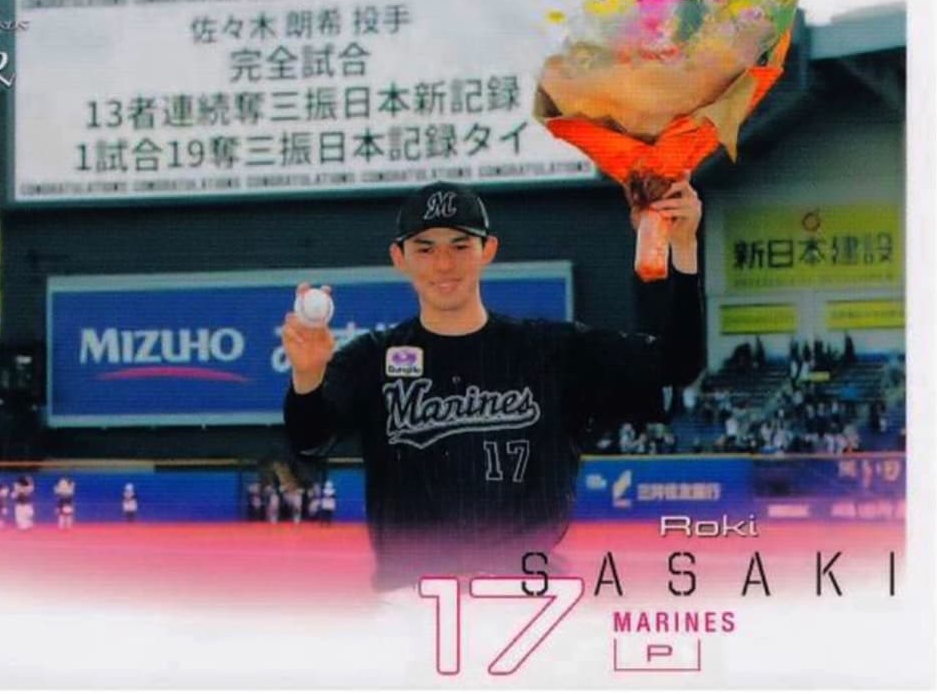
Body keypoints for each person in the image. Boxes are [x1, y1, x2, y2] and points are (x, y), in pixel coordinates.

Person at [282, 179, 704, 590]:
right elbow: (310, 441)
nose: (443, 264)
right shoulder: (372, 359)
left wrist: (681, 247)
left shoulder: (551, 351)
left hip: (527, 597)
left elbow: (676, 364)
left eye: (460, 245)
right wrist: (307, 376)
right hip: (410, 599)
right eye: (425, 248)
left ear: (488, 250)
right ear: (399, 257)